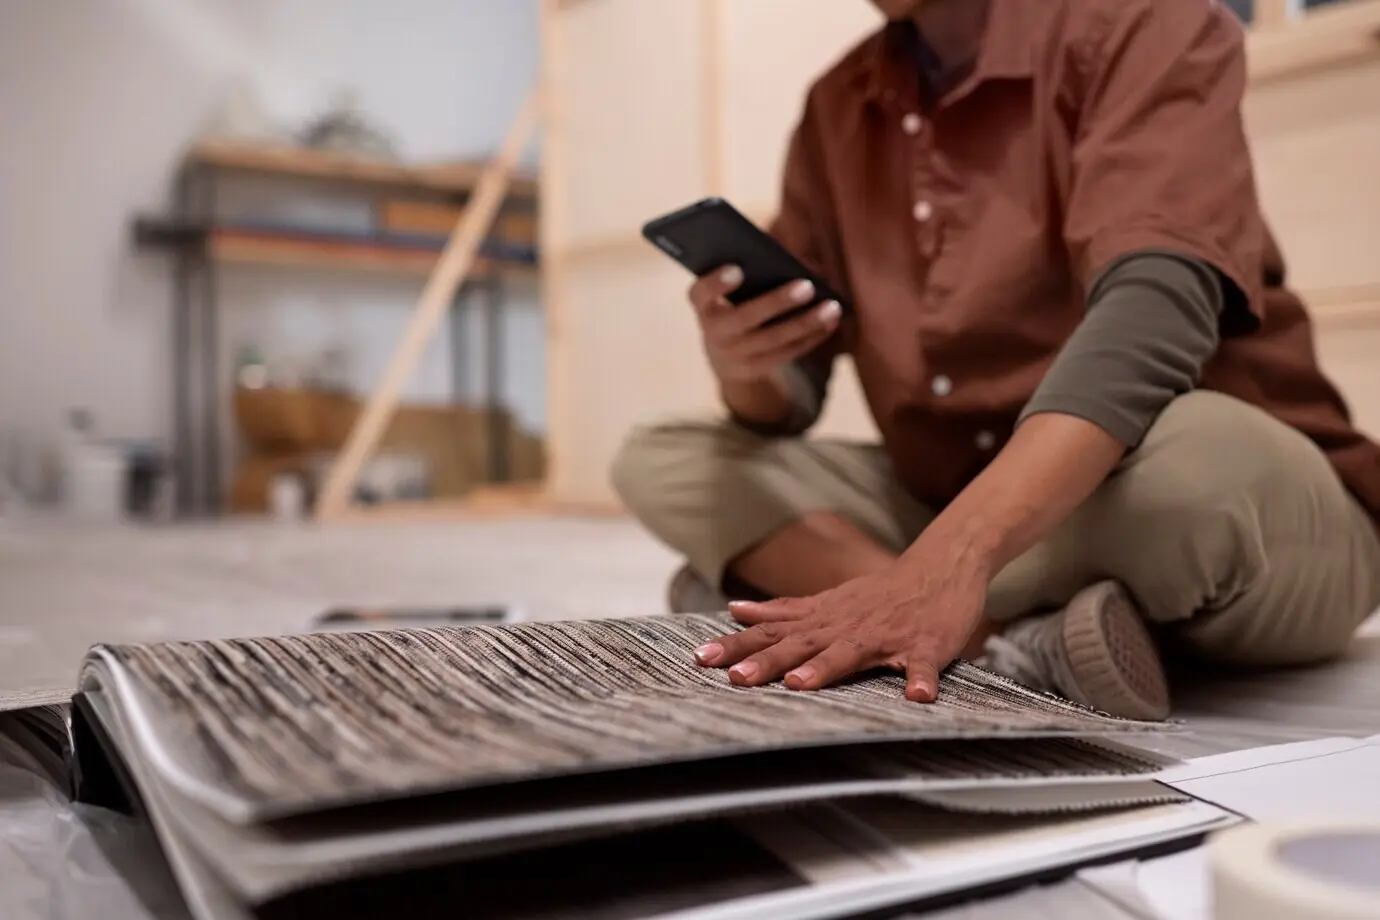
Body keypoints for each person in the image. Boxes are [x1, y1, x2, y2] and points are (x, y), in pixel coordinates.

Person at [611, 0, 1380, 720]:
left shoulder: (1141, 22)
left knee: (1201, 476)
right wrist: (744, 363)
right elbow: (791, 400)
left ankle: (813, 592)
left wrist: (948, 563)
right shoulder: (838, 105)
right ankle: (1007, 643)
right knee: (666, 457)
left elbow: (1156, 312)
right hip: (957, 498)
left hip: (1188, 494)